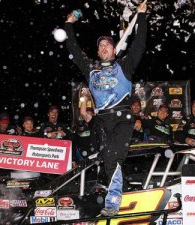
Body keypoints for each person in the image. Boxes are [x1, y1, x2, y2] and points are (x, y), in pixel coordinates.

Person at [65, 1, 147, 216]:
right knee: (105, 160)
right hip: (101, 121)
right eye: (100, 46)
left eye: (107, 45)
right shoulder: (91, 70)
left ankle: (113, 201)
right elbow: (73, 50)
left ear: (113, 50)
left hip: (122, 119)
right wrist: (68, 25)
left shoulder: (125, 66)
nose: (103, 48)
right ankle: (121, 191)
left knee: (112, 157)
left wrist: (142, 17)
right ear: (98, 52)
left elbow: (139, 45)